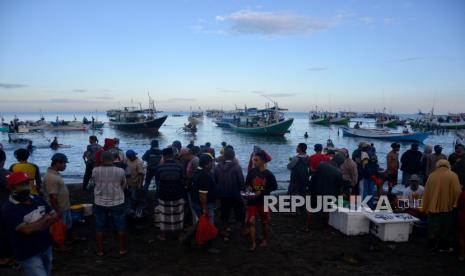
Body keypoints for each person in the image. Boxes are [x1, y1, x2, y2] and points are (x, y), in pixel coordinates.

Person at [2, 172, 58, 276]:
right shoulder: (8, 209)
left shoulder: (37, 199)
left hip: (46, 246)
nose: (26, 187)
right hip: (27, 253)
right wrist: (45, 218)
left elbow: (55, 216)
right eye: (21, 185)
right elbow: (26, 230)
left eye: (27, 183)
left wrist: (34, 226)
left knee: (47, 271)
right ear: (11, 188)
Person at [92, 151, 127, 256]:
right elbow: (123, 185)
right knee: (120, 226)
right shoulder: (120, 171)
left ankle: (100, 250)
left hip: (99, 202)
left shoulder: (95, 170)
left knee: (99, 226)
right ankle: (121, 249)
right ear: (113, 159)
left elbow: (95, 182)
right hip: (117, 201)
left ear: (101, 159)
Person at [422, 159, 462, 252]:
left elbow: (427, 191)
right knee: (446, 227)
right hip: (448, 207)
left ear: (438, 165)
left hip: (433, 206)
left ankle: (431, 246)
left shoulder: (432, 175)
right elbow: (457, 191)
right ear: (448, 165)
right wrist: (456, 203)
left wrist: (426, 205)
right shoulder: (453, 175)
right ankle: (444, 247)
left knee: (433, 226)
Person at [245, 150, 277, 251]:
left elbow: (274, 187)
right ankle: (253, 243)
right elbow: (247, 183)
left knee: (264, 223)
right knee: (251, 221)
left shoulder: (269, 174)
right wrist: (248, 188)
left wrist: (262, 191)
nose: (254, 162)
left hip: (264, 201)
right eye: (254, 160)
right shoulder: (251, 172)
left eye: (256, 160)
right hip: (252, 200)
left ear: (263, 161)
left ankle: (265, 239)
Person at [305, 154, 345, 232]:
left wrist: (309, 188)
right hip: (328, 194)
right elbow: (339, 186)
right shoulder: (338, 172)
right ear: (340, 163)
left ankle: (306, 227)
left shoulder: (321, 164)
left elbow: (314, 176)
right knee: (326, 211)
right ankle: (325, 228)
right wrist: (340, 194)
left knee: (310, 209)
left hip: (315, 190)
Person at [154, 147, 186, 241]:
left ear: (163, 156)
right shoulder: (179, 167)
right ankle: (179, 235)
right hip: (177, 194)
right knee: (179, 214)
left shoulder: (159, 168)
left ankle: (163, 235)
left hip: (164, 195)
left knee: (164, 215)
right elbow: (183, 180)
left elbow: (158, 181)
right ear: (172, 156)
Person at [214, 147, 246, 241]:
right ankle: (243, 228)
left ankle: (225, 231)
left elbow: (214, 180)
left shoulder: (217, 167)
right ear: (233, 156)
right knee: (240, 210)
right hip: (234, 193)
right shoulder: (236, 167)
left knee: (225, 211)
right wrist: (243, 189)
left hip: (222, 194)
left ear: (223, 156)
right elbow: (241, 181)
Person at [42, 153, 73, 248]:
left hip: (64, 206)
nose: (65, 165)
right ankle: (60, 245)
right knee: (58, 228)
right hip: (59, 208)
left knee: (66, 226)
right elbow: (52, 197)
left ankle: (65, 241)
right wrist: (57, 210)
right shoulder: (51, 177)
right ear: (57, 163)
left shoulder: (55, 174)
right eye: (64, 163)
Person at [0, 149, 14, 267]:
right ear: (3, 161)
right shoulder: (7, 174)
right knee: (5, 232)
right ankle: (5, 257)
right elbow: (15, 190)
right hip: (4, 207)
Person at [125, 150, 145, 217]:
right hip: (128, 182)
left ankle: (134, 210)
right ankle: (130, 209)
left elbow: (141, 174)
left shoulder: (139, 162)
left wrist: (141, 184)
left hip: (135, 182)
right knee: (129, 196)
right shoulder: (127, 160)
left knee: (134, 197)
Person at [458, 189, 465, 261]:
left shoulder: (463, 194)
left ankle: (462, 255)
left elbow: (459, 205)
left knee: (462, 237)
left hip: (463, 218)